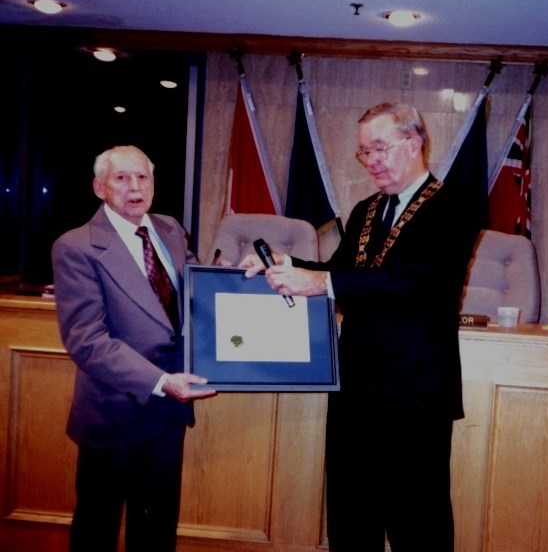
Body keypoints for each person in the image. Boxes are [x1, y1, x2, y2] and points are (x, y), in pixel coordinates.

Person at [240, 102, 481, 551]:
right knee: (352, 519)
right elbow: (340, 272)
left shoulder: (454, 205)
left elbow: (412, 282)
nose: (371, 161)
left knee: (418, 523)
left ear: (413, 144)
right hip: (354, 387)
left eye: (379, 149)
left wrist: (321, 280)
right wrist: (286, 264)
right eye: (363, 153)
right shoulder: (366, 209)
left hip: (415, 395)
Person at [51, 145, 216, 552]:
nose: (135, 187)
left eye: (143, 177)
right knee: (97, 528)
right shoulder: (76, 247)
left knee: (157, 528)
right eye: (121, 178)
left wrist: (246, 276)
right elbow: (86, 341)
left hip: (167, 415)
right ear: (99, 187)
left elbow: (200, 292)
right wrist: (160, 382)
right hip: (114, 411)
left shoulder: (170, 230)